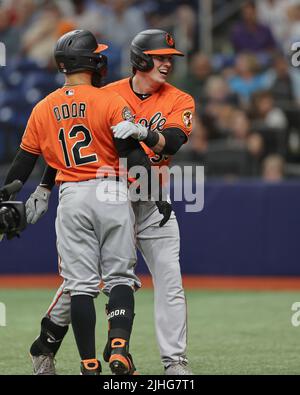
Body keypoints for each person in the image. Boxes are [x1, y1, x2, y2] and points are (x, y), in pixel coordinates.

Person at [26, 29, 195, 375]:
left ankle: (174, 363)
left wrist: (145, 133)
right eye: (160, 57)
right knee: (81, 286)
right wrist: (45, 185)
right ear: (141, 59)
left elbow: (174, 141)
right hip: (111, 196)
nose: (166, 64)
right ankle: (45, 346)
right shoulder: (106, 93)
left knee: (170, 281)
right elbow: (70, 146)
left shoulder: (180, 99)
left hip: (151, 201)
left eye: (170, 58)